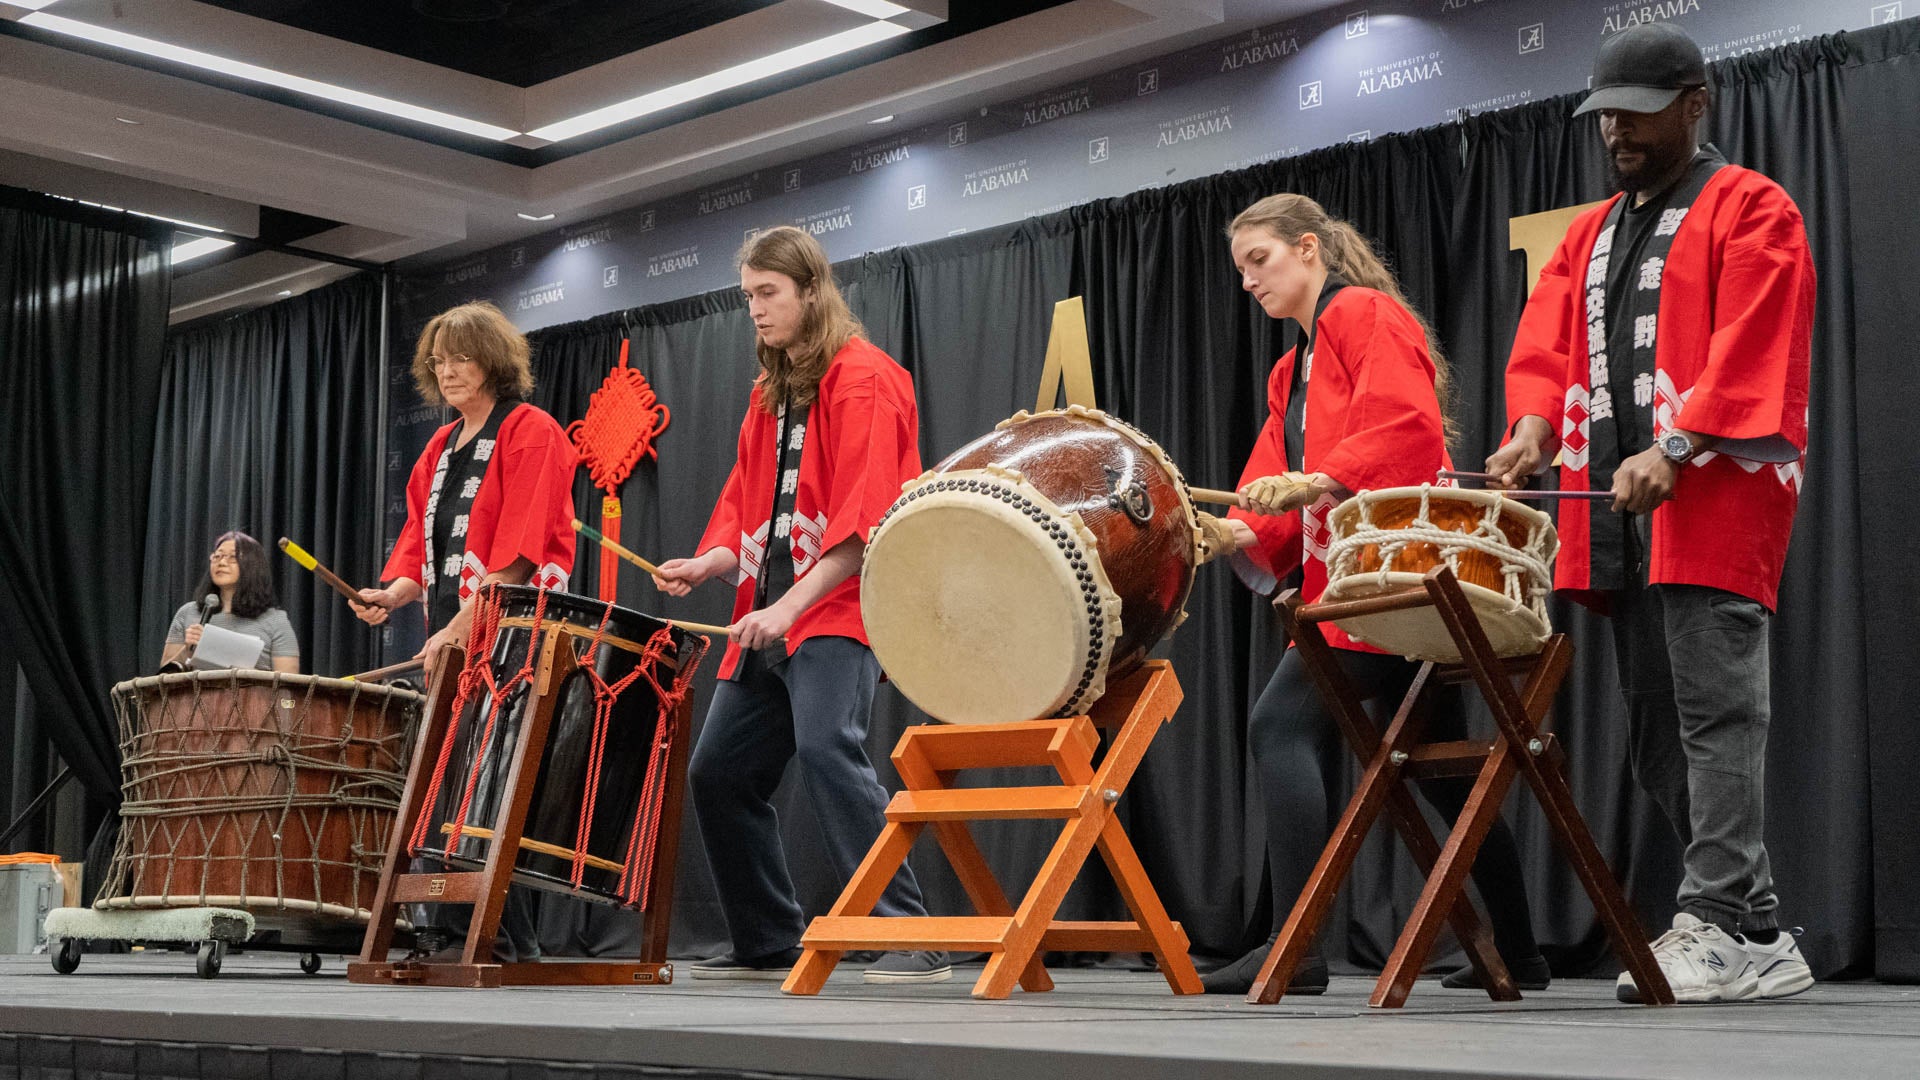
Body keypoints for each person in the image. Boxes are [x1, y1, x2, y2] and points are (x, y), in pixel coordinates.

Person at [1484, 23, 1814, 1003]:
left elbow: (1757, 343)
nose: (1617, 130)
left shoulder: (1751, 207)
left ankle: (1710, 919)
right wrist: (1533, 430)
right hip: (1618, 514)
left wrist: (1677, 445)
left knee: (1719, 718)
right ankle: (1758, 932)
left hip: (1711, 497)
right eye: (1605, 115)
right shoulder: (1589, 232)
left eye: (1637, 111)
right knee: (1655, 735)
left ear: (1695, 103)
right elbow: (1546, 345)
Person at [1189, 193, 1546, 996]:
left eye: (1261, 261)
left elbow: (1406, 424)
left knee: (1279, 725)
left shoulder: (1365, 315)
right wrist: (1235, 530)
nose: (1249, 281)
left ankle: (1299, 942)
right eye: (1240, 269)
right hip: (1357, 578)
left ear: (1308, 248)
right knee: (1448, 771)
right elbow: (1264, 485)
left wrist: (1316, 479)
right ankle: (1521, 951)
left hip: (1399, 577)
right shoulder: (1292, 367)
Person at [651, 226, 947, 984]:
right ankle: (766, 936)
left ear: (811, 292)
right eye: (747, 295)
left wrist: (790, 610)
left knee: (827, 749)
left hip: (836, 608)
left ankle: (908, 933)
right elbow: (750, 507)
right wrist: (710, 561)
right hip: (768, 612)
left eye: (767, 294)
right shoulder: (772, 392)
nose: (753, 309)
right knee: (720, 774)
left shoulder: (866, 378)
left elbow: (865, 522)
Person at [352, 299, 579, 962]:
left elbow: (521, 551)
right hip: (457, 638)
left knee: (493, 781)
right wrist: (391, 594)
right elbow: (421, 545)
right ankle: (472, 934)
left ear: (493, 360)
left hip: (518, 634)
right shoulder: (439, 448)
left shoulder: (530, 429)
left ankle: (491, 937)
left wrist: (458, 625)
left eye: (462, 358)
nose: (448, 371)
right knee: (450, 782)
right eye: (439, 360)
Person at [160, 531, 300, 673]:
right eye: (217, 556)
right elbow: (163, 677)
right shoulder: (188, 612)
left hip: (253, 695)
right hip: (196, 695)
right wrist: (187, 650)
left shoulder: (275, 620)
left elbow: (288, 685)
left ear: (253, 565)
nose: (221, 563)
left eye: (232, 557)